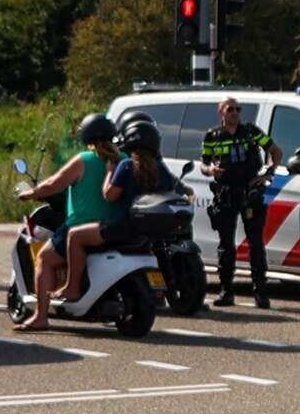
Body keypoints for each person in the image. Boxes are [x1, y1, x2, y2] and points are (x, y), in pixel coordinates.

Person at [13, 113, 117, 330]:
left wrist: (30, 194)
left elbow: (53, 184)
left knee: (44, 258)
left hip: (80, 224)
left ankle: (41, 316)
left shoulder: (84, 160)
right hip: (112, 226)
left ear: (86, 136)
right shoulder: (122, 158)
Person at [105, 115, 190, 312]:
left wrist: (109, 172)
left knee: (82, 240)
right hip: (154, 232)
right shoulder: (160, 168)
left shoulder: (126, 166)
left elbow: (110, 196)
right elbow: (170, 191)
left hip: (126, 228)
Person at [196, 98, 273, 308]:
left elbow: (275, 151)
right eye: (230, 109)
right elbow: (203, 164)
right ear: (221, 111)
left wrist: (268, 173)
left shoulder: (250, 132)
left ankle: (260, 293)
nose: (235, 112)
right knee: (226, 245)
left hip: (249, 193)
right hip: (226, 194)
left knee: (256, 243)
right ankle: (226, 292)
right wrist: (211, 170)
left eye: (238, 109)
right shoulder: (212, 136)